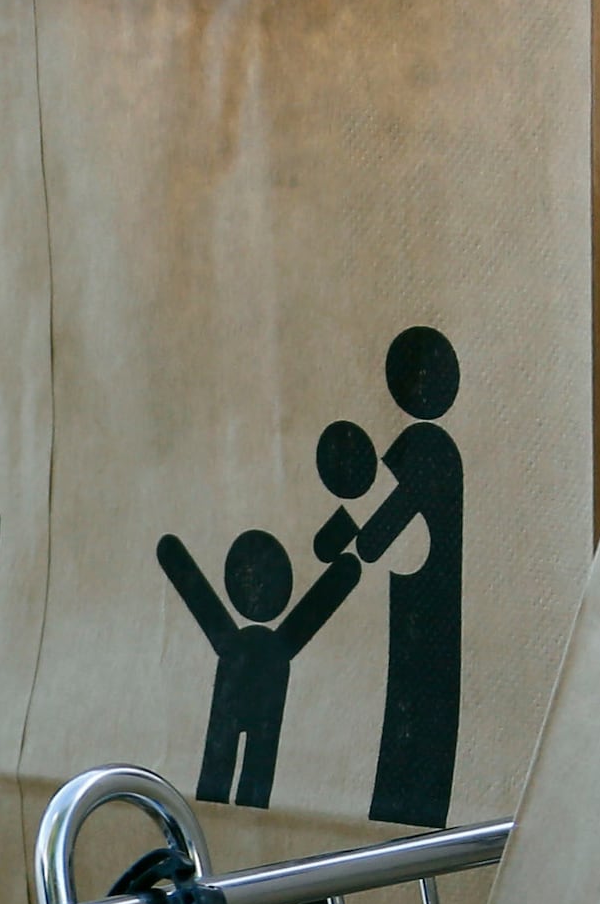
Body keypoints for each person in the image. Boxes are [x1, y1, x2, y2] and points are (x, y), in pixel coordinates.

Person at [343, 326, 463, 827]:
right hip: (426, 595)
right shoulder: (436, 447)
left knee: (415, 708)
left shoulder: (425, 446)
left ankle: (410, 807)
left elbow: (377, 533)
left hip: (423, 601)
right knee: (415, 704)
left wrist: (348, 531)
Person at [156, 523, 359, 809]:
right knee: (236, 764)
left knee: (239, 765)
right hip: (251, 690)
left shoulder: (255, 647)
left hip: (254, 691)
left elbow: (190, 583)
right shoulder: (266, 648)